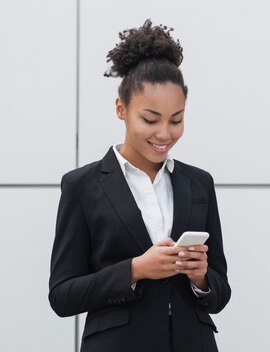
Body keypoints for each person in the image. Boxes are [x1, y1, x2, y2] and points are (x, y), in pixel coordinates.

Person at [48, 20, 231, 352]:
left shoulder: (199, 184)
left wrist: (201, 277)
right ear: (121, 109)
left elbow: (220, 291)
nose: (165, 134)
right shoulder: (82, 186)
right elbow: (62, 295)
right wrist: (135, 270)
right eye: (150, 119)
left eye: (176, 120)